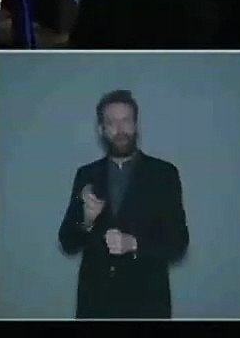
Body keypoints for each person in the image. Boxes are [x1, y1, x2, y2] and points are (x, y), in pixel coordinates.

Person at [58, 90, 190, 319]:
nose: (120, 129)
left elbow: (179, 243)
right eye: (111, 122)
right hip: (95, 304)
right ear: (101, 129)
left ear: (136, 124)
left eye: (126, 120)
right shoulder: (86, 175)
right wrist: (87, 220)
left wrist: (134, 244)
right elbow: (67, 242)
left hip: (148, 303)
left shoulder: (164, 174)